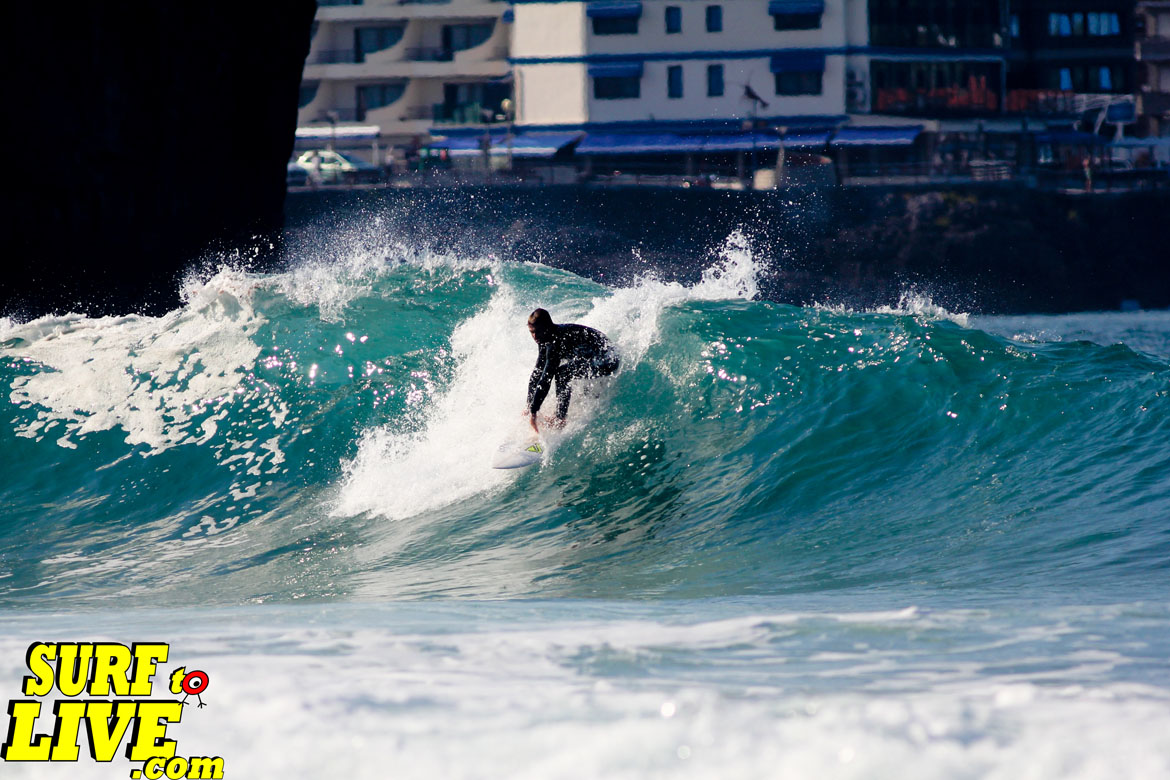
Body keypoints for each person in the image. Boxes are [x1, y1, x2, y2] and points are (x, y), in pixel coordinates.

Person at [525, 308, 619, 433]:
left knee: (562, 373)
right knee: (563, 371)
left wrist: (534, 411)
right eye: (532, 332)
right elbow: (538, 372)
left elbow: (546, 379)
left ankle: (560, 419)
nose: (535, 336)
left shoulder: (555, 341)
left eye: (537, 331)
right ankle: (560, 414)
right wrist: (529, 406)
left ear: (546, 327)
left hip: (608, 359)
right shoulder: (544, 337)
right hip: (594, 356)